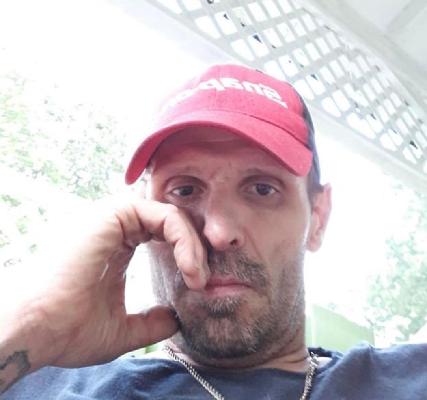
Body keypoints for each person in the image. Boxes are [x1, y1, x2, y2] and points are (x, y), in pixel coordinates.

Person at [0, 64, 425, 400]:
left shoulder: (410, 380)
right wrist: (33, 329)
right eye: (184, 190)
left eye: (262, 189)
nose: (218, 233)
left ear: (317, 217)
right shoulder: (40, 381)